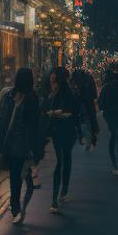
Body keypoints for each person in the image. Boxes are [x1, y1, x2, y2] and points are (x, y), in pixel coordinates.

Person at [0, 67, 41, 225]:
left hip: (21, 146)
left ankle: (18, 208)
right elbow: (35, 125)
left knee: (25, 181)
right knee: (17, 179)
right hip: (15, 145)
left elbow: (33, 125)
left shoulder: (29, 98)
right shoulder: (11, 96)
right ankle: (16, 208)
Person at [44, 66, 78, 213]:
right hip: (57, 131)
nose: (52, 81)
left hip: (68, 131)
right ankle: (55, 199)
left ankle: (64, 190)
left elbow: (71, 112)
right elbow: (47, 110)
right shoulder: (51, 93)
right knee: (61, 161)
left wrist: (57, 113)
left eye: (54, 78)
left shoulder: (68, 93)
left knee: (66, 158)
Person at [98, 67, 118, 175]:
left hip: (110, 114)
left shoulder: (106, 87)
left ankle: (115, 162)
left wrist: (103, 108)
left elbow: (100, 102)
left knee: (114, 134)